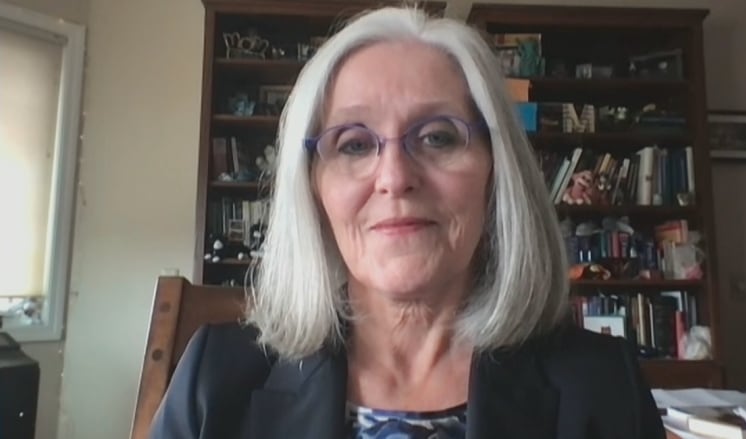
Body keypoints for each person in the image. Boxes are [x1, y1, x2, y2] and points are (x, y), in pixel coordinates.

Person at [150, 6, 665, 439]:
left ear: (496, 171)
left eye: (438, 137)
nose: (394, 178)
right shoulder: (215, 378)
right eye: (353, 144)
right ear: (313, 188)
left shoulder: (602, 385)